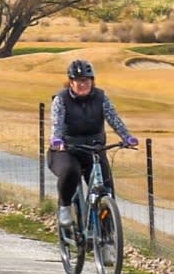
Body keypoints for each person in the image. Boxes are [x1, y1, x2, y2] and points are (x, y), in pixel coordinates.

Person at [48, 58, 138, 232]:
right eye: (78, 81)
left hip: (94, 149)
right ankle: (65, 207)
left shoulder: (101, 98)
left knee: (106, 188)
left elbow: (114, 119)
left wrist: (127, 137)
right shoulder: (61, 99)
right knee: (70, 172)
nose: (83, 84)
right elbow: (56, 123)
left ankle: (105, 239)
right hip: (67, 150)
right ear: (71, 82)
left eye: (87, 81)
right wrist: (57, 140)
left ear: (92, 81)